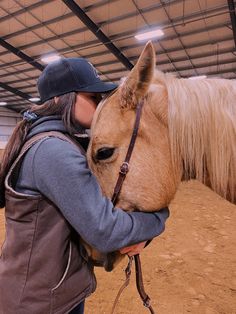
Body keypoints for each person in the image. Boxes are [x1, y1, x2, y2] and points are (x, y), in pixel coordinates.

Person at [0, 57, 169, 314]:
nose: (100, 104)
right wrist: (158, 218)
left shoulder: (62, 143)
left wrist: (140, 237)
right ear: (61, 98)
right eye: (92, 97)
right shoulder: (53, 150)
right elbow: (104, 229)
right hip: (39, 304)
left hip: (57, 293)